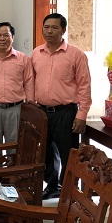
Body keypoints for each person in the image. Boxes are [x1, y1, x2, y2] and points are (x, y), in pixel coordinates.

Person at [32, 13, 92, 200]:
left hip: (65, 112)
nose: (49, 31)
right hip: (41, 111)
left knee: (68, 153)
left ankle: (69, 190)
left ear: (63, 30)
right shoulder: (36, 53)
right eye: (46, 27)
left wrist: (82, 114)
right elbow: (32, 81)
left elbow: (84, 85)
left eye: (54, 27)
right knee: (46, 152)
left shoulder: (76, 55)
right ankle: (52, 186)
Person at [0, 22, 34, 159]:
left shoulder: (23, 59)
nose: (2, 39)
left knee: (15, 147)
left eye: (6, 35)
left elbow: (29, 83)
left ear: (13, 37)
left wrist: (30, 110)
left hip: (16, 109)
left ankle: (14, 179)